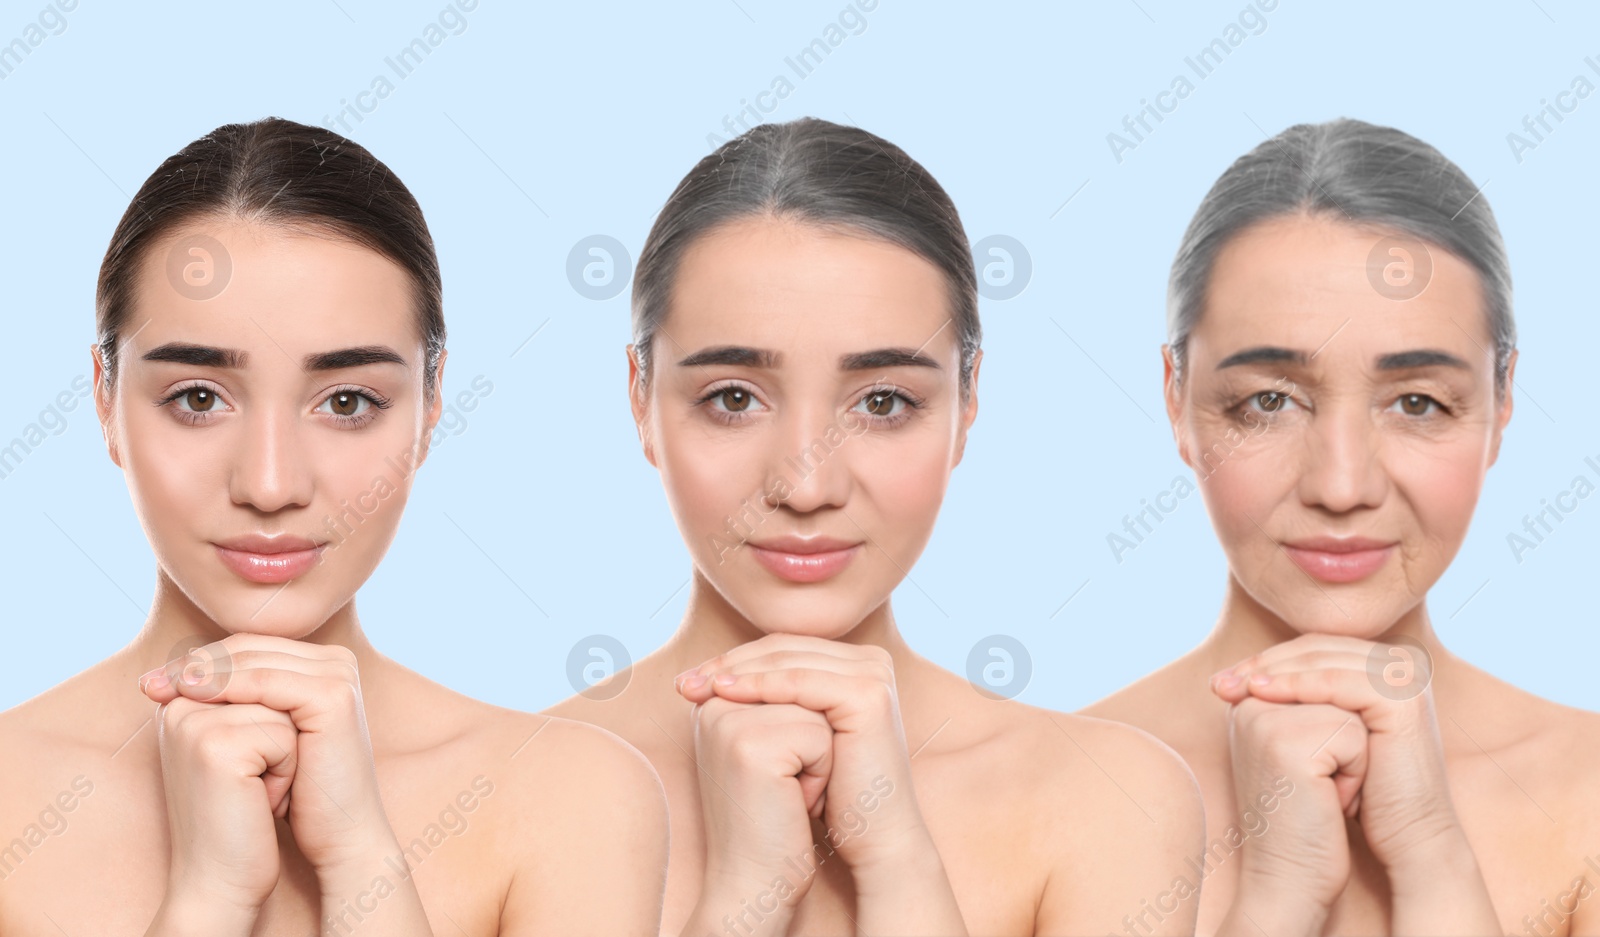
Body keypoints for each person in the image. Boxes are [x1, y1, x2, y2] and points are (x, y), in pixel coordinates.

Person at [0, 117, 667, 936]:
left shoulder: (574, 796)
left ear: (429, 406)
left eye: (347, 402)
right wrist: (210, 895)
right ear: (104, 398)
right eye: (198, 398)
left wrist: (361, 859)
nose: (271, 484)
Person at [549, 117, 1204, 937]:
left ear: (967, 404)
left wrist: (899, 863)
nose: (806, 483)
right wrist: (747, 895)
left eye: (884, 401)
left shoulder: (1114, 799)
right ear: (640, 399)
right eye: (733, 397)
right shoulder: (512, 792)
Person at [1083, 117, 1600, 936]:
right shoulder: (1045, 788)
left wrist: (1434, 857)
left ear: (1503, 403)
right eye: (1270, 401)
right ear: (1177, 399)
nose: (1341, 484)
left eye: (1417, 402)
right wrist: (1278, 894)